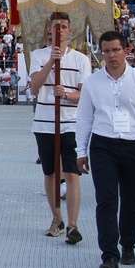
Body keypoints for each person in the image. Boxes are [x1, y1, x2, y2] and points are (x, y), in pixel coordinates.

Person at [75, 30, 135, 268]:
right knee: (106, 200)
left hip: (133, 145)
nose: (111, 55)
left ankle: (128, 245)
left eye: (115, 50)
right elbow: (84, 117)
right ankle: (109, 254)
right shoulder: (93, 82)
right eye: (106, 51)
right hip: (103, 145)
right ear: (101, 53)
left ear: (126, 51)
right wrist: (80, 151)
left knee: (131, 199)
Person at [29, 12, 91, 246]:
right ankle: (57, 219)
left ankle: (73, 224)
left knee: (72, 173)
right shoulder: (38, 55)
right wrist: (49, 64)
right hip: (44, 122)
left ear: (69, 31)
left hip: (71, 124)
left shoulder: (81, 60)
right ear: (49, 31)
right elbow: (34, 87)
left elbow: (85, 94)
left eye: (63, 27)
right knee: (50, 172)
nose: (59, 31)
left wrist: (65, 94)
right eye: (55, 27)